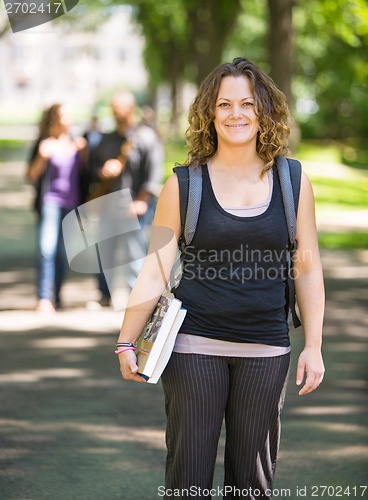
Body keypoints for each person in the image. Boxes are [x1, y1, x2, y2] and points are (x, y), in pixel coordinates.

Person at [116, 57, 325, 499]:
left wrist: (315, 346)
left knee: (253, 485)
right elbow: (155, 268)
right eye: (224, 104)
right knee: (188, 479)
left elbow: (306, 267)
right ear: (210, 113)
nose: (236, 114)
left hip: (267, 349)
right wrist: (126, 340)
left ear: (263, 110)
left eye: (247, 103)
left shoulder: (292, 180)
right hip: (193, 346)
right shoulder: (184, 185)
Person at [87, 92, 164, 306]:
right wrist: (102, 171)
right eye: (113, 108)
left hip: (134, 205)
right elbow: (92, 167)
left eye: (118, 108)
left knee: (135, 253)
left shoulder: (145, 137)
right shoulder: (106, 138)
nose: (115, 112)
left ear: (130, 109)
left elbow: (154, 172)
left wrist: (142, 199)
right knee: (104, 249)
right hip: (108, 203)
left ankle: (136, 297)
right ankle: (104, 294)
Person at [26, 104, 87, 312]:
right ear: (55, 119)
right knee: (46, 249)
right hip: (50, 202)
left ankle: (57, 296)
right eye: (64, 116)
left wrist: (84, 153)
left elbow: (87, 175)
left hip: (72, 204)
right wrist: (42, 157)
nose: (68, 119)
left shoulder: (79, 145)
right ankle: (44, 297)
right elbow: (31, 176)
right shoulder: (45, 144)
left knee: (62, 253)